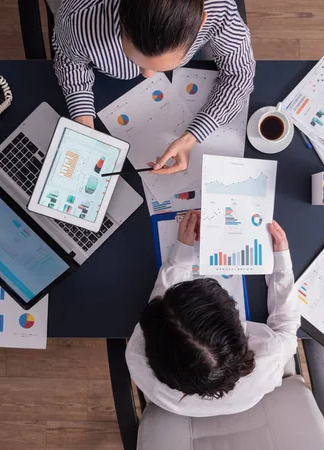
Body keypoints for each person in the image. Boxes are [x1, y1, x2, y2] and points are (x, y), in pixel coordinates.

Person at [125, 211, 301, 417]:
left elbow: (160, 308)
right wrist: (281, 265)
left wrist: (181, 255)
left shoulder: (137, 357)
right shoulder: (269, 357)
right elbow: (287, 327)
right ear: (239, 333)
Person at [53, 0, 255, 175]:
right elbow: (69, 61)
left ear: (202, 22)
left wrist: (193, 136)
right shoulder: (79, 18)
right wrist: (83, 120)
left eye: (157, 66)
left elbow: (239, 74)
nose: (147, 75)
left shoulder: (218, 9)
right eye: (138, 61)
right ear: (121, 18)